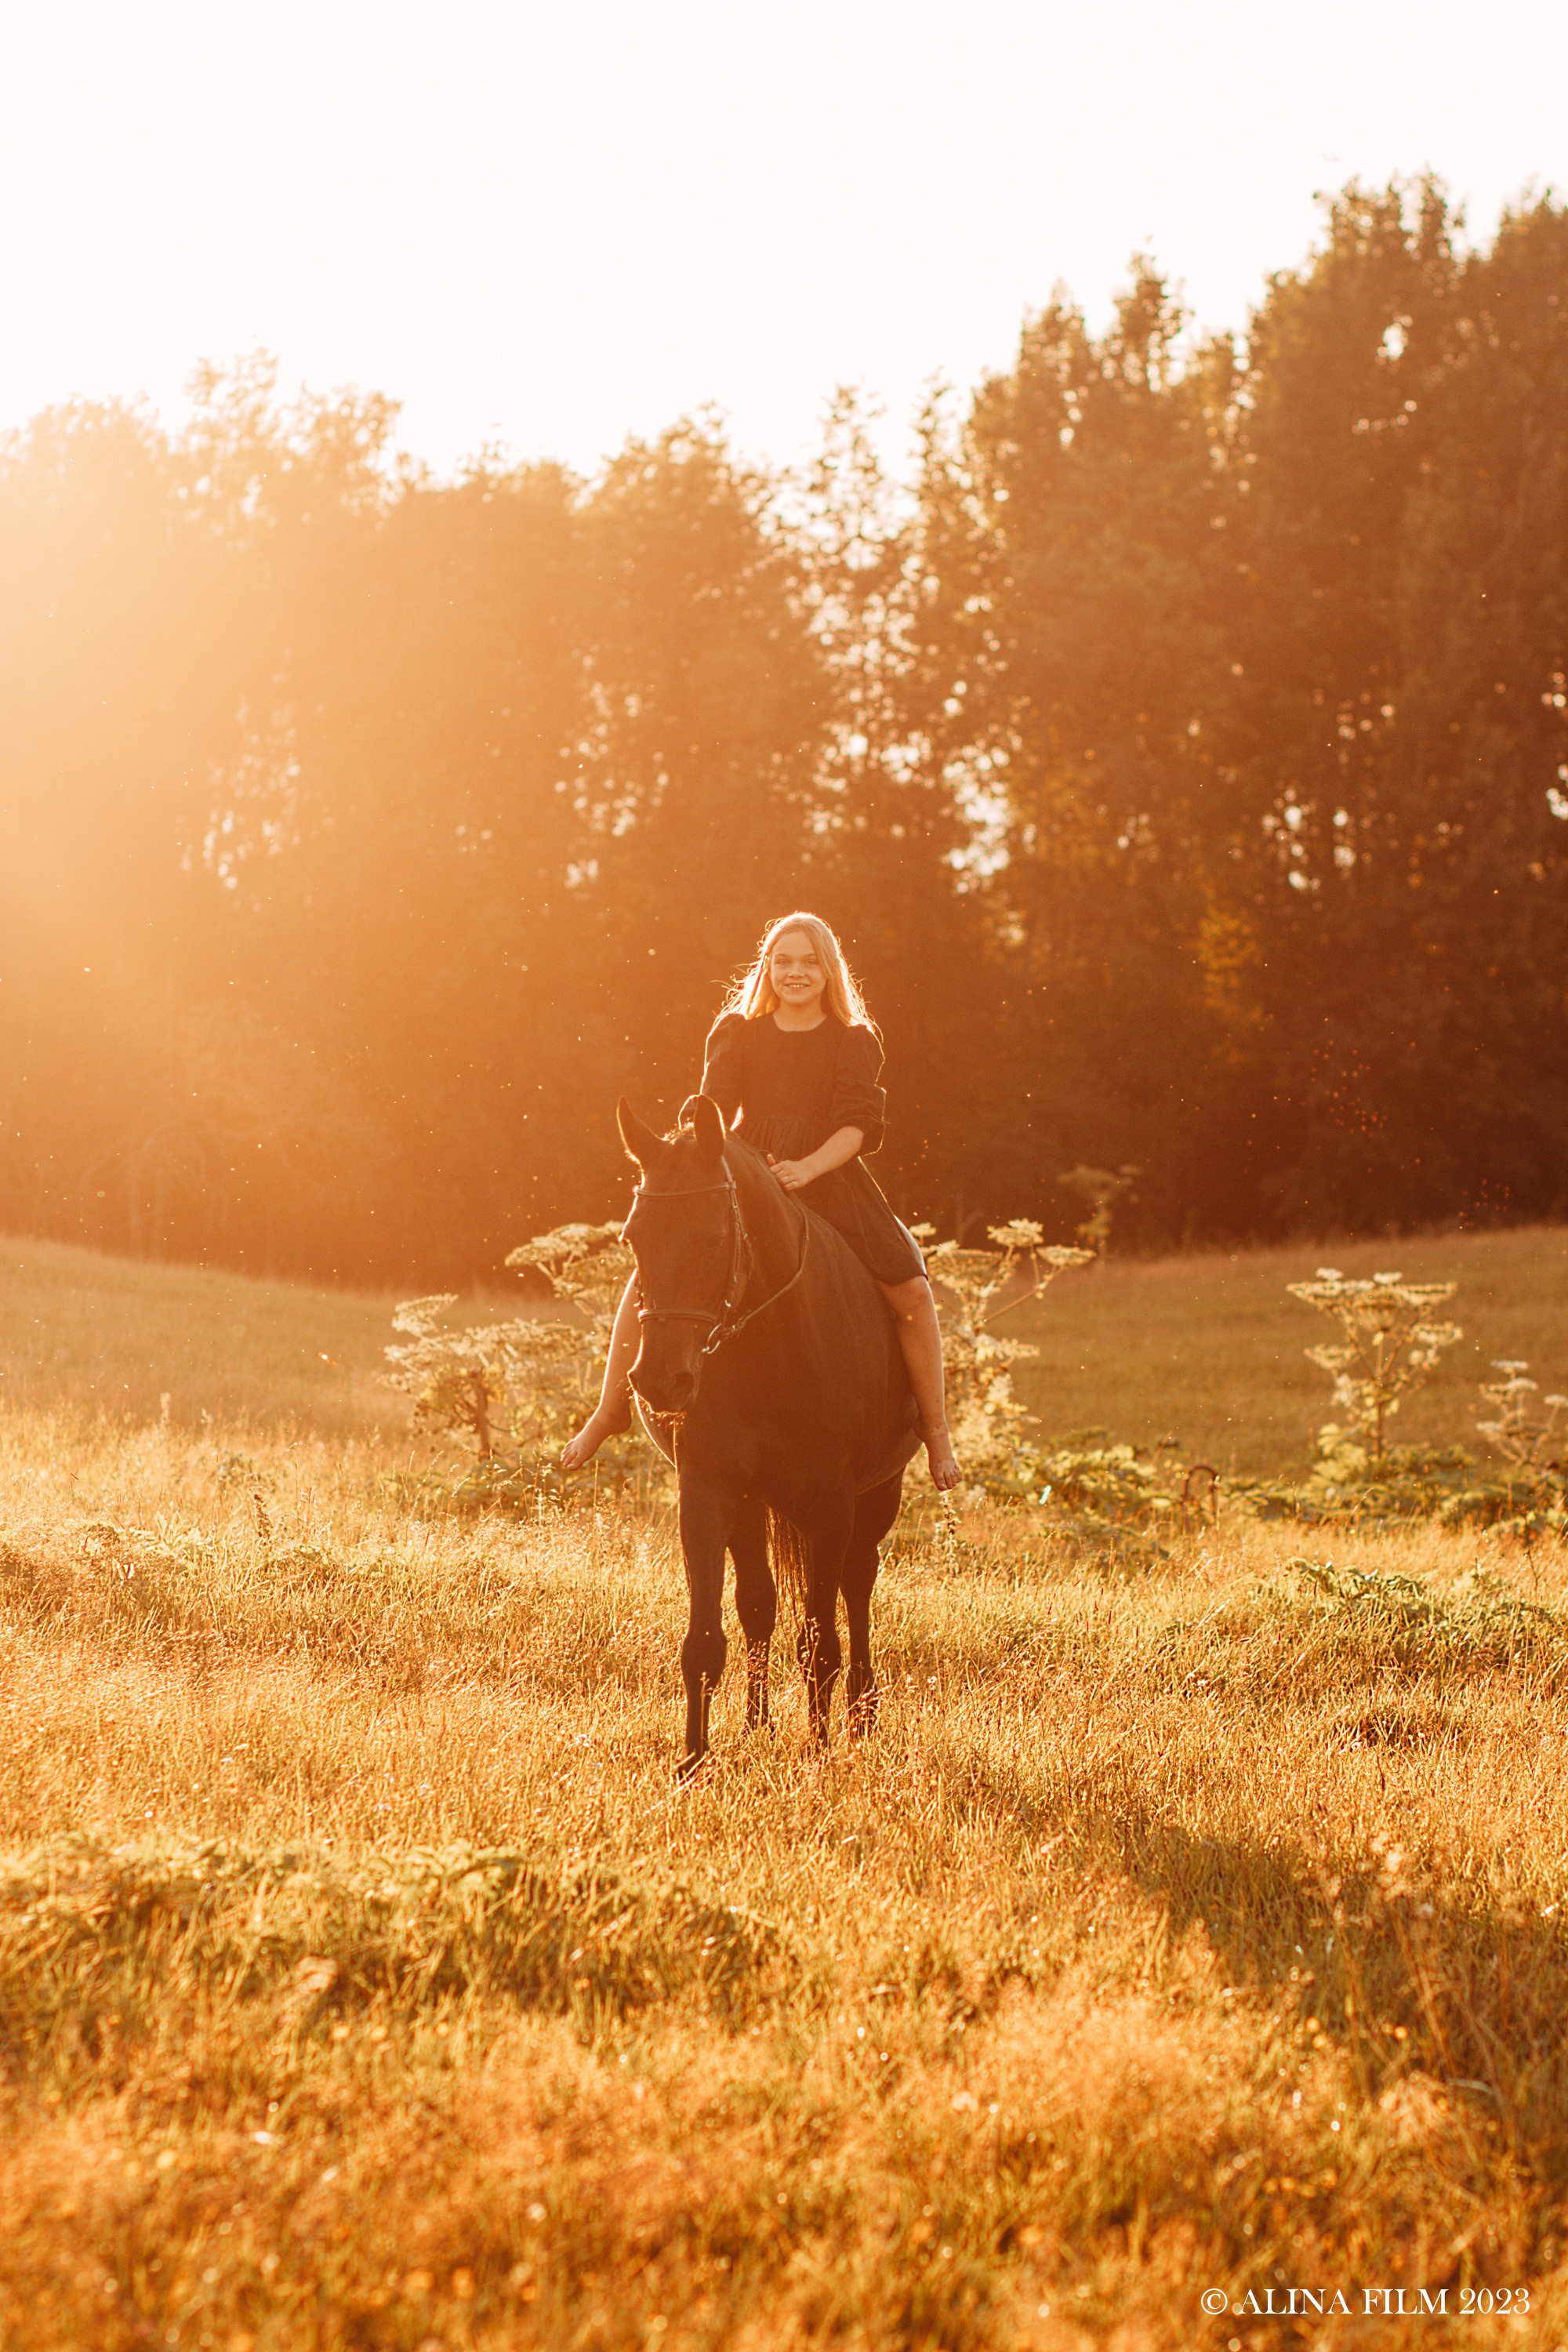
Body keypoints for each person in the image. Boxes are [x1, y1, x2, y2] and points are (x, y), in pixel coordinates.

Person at [560, 912, 961, 1490]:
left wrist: (807, 1167)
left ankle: (937, 1431)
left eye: (808, 962)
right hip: (747, 1174)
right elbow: (712, 1106)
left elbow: (858, 1127)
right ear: (767, 968)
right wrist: (710, 1157)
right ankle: (609, 1410)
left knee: (913, 1292)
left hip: (829, 1175)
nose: (795, 972)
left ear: (828, 971)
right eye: (784, 961)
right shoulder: (737, 1031)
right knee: (650, 1279)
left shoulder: (853, 1039)